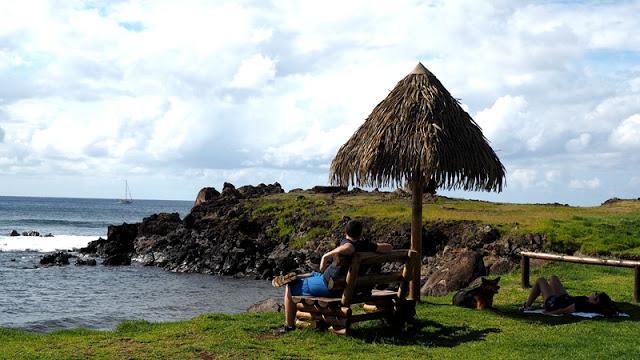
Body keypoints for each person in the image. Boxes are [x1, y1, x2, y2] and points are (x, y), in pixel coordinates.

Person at [272, 220, 393, 334]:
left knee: (290, 287)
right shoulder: (365, 245)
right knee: (315, 274)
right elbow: (389, 247)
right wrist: (373, 246)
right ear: (360, 233)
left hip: (332, 286)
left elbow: (349, 249)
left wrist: (326, 255)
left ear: (345, 231)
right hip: (351, 287)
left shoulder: (348, 244)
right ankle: (297, 276)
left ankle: (289, 326)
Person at [521, 275, 618, 316]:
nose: (594, 293)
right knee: (553, 278)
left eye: (596, 294)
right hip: (563, 298)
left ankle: (527, 306)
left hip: (554, 303)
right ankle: (543, 297)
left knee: (540, 280)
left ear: (595, 301)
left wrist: (548, 313)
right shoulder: (588, 300)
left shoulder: (583, 304)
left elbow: (564, 310)